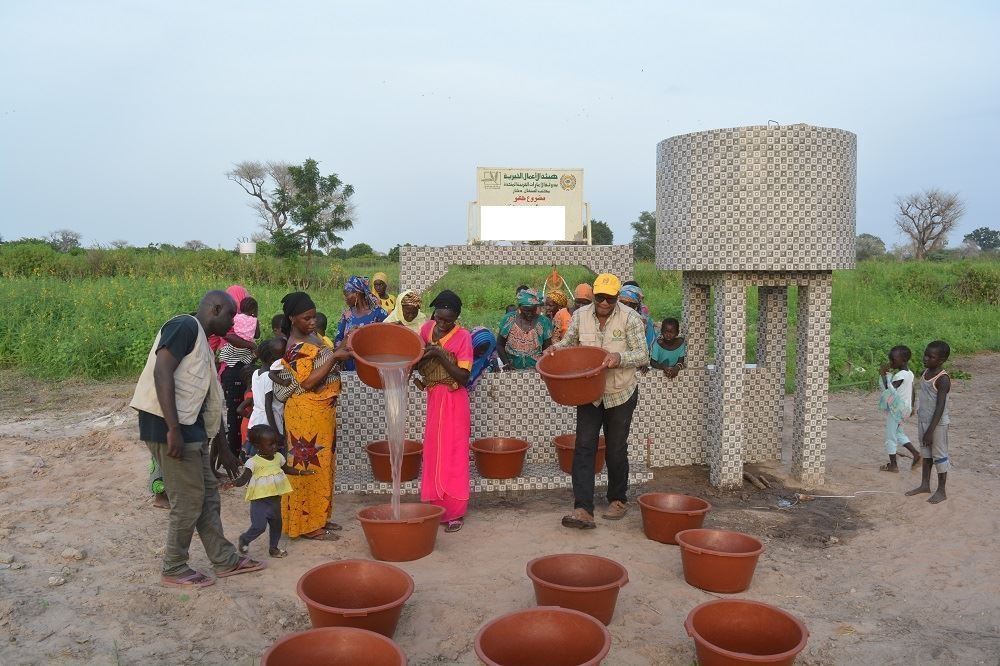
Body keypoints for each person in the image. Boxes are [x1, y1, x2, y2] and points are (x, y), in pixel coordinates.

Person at [131, 290, 265, 588]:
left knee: (207, 496)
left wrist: (220, 444)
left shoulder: (201, 339)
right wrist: (173, 428)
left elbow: (207, 396)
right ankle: (174, 566)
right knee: (189, 500)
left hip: (188, 427)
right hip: (169, 426)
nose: (233, 322)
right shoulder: (184, 326)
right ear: (214, 308)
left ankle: (225, 560)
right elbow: (162, 371)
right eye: (230, 314)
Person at [549, 273, 649, 529]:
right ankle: (583, 508)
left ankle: (618, 499)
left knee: (616, 448)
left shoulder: (631, 318)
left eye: (611, 298)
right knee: (584, 447)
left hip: (621, 392)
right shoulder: (581, 316)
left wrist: (619, 357)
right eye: (601, 297)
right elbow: (568, 343)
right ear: (593, 295)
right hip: (589, 394)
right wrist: (554, 349)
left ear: (617, 297)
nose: (605, 303)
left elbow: (642, 354)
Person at [280, 291, 352, 539]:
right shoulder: (295, 347)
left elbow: (327, 360)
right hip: (305, 413)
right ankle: (307, 525)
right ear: (292, 318)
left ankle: (320, 516)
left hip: (321, 411)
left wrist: (344, 345)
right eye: (306, 318)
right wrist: (334, 357)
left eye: (313, 317)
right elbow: (307, 381)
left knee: (323, 466)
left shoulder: (313, 337)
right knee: (307, 466)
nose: (312, 322)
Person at [416, 290, 473, 532]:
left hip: (453, 400)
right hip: (433, 398)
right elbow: (416, 361)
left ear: (456, 318)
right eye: (439, 318)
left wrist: (439, 353)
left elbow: (463, 377)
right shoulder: (426, 329)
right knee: (433, 453)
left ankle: (455, 512)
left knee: (453, 454)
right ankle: (434, 506)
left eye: (448, 320)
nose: (442, 324)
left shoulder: (463, 337)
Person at [231, 424, 315, 558]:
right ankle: (245, 539)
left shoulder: (278, 457)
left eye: (276, 443)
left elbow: (286, 469)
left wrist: (301, 472)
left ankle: (274, 549)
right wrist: (233, 483)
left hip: (275, 500)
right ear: (258, 446)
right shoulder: (253, 462)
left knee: (276, 525)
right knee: (259, 527)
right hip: (259, 501)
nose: (275, 447)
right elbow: (244, 479)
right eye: (270, 444)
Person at [906, 341, 952, 504]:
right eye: (925, 354)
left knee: (939, 456)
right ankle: (925, 484)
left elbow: (940, 407)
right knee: (926, 454)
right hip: (924, 421)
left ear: (941, 360)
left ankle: (941, 490)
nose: (925, 358)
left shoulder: (943, 379)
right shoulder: (926, 372)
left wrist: (930, 430)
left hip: (937, 425)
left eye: (931, 357)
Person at [238, 338, 287, 456]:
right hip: (268, 423)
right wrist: (276, 432)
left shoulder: (256, 373)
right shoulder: (268, 377)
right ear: (272, 360)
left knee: (256, 457)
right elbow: (268, 407)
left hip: (256, 420)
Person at [877, 345, 920, 472]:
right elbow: (912, 391)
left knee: (890, 436)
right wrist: (912, 406)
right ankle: (917, 455)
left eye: (893, 360)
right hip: (904, 408)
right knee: (898, 433)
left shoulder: (900, 375)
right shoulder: (909, 373)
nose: (891, 362)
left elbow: (889, 391)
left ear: (904, 359)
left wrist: (883, 376)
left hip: (897, 410)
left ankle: (893, 465)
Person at [335, 276, 388, 371]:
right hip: (349, 368)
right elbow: (338, 342)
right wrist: (348, 336)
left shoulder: (378, 313)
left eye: (346, 294)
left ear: (357, 294)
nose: (345, 298)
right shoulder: (347, 315)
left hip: (372, 367)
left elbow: (388, 339)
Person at [497, 288, 553, 369]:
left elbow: (547, 348)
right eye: (526, 310)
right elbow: (499, 345)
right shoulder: (508, 320)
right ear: (519, 307)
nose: (529, 314)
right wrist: (506, 363)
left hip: (536, 368)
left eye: (532, 310)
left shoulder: (544, 322)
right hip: (512, 368)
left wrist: (543, 366)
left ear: (536, 308)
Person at [619, 284, 657, 349]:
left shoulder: (642, 315)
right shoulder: (618, 310)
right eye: (621, 302)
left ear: (635, 304)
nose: (622, 305)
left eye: (626, 303)